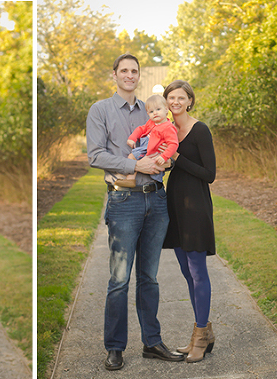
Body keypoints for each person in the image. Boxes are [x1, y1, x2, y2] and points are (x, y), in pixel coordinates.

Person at [86, 53, 184, 371]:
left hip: (156, 201)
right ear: (114, 75)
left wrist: (165, 161)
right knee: (119, 279)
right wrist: (134, 164)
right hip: (123, 202)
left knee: (149, 278)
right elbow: (95, 154)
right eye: (124, 70)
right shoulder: (100, 110)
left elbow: (168, 142)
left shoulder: (151, 109)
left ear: (139, 76)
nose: (129, 75)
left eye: (134, 71)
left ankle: (152, 342)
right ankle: (115, 347)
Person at [162, 80, 217, 363]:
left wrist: (177, 157)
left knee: (197, 272)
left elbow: (210, 173)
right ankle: (204, 332)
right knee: (186, 271)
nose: (175, 101)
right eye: (171, 97)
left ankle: (199, 337)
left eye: (180, 97)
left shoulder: (200, 130)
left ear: (189, 101)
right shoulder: (170, 130)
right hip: (175, 206)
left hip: (195, 207)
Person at [114, 94, 179, 188]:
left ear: (166, 109)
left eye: (158, 109)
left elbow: (173, 144)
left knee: (150, 165)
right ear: (148, 114)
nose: (155, 113)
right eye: (151, 111)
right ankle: (130, 180)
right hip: (146, 149)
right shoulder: (151, 123)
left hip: (154, 151)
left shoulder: (168, 128)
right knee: (131, 157)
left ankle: (134, 180)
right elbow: (140, 129)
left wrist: (164, 156)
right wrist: (132, 138)